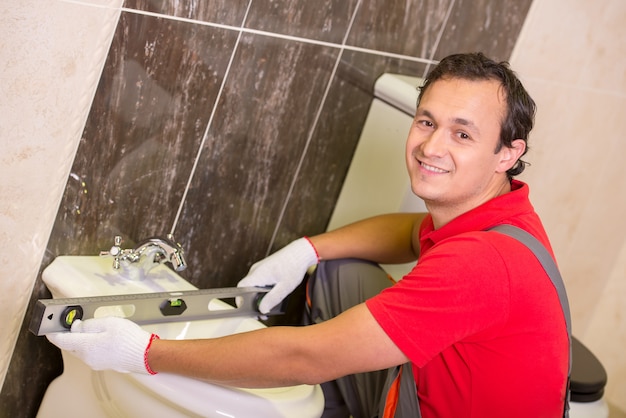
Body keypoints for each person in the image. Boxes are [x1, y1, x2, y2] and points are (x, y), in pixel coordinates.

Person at [47, 52, 569, 417]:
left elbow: (307, 358)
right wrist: (306, 251)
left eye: (462, 133)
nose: (432, 146)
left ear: (508, 153)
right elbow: (413, 233)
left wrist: (145, 353)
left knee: (311, 355)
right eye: (426, 122)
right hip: (444, 387)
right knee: (341, 271)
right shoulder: (498, 216)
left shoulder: (478, 266)